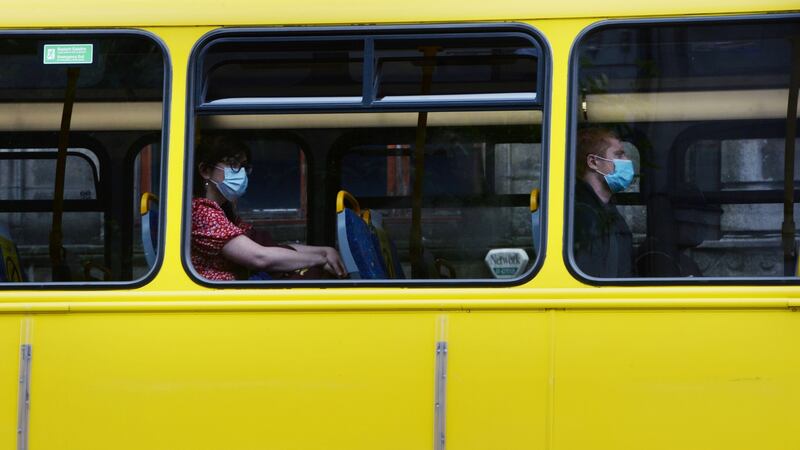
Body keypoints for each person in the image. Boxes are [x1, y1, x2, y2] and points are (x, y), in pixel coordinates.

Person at [191, 136, 346, 281]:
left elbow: (270, 248)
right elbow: (259, 257)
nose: (241, 173)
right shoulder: (201, 211)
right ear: (205, 170)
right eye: (233, 164)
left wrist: (324, 251)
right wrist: (321, 259)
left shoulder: (224, 211)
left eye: (244, 166)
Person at [573, 128, 635, 278]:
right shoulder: (584, 216)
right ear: (593, 162)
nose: (627, 161)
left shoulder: (605, 209)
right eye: (619, 155)